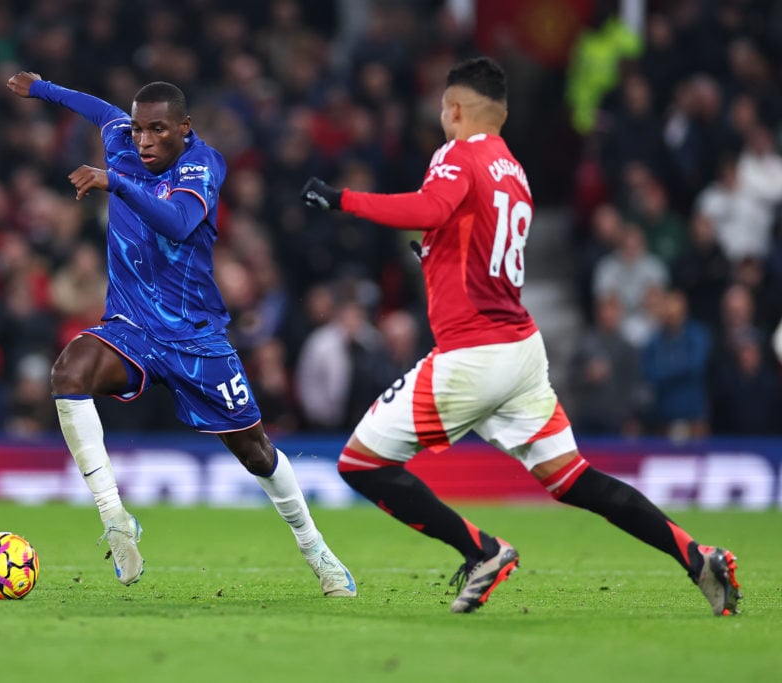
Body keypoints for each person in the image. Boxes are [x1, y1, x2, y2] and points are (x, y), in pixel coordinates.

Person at [300, 56, 740, 615]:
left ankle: (482, 550)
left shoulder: (457, 154)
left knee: (361, 463)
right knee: (576, 480)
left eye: (443, 106)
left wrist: (342, 200)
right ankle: (696, 557)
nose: (440, 116)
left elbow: (430, 207)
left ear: (456, 109)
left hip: (474, 353)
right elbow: (469, 241)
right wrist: (435, 257)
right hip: (521, 351)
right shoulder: (513, 168)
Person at [6, 71, 355, 596]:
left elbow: (178, 221)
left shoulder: (203, 164)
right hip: (132, 327)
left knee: (257, 452)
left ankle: (318, 551)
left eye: (157, 130)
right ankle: (116, 518)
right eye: (139, 129)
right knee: (68, 371)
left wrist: (114, 182)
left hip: (196, 339)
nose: (143, 140)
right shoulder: (121, 138)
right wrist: (42, 88)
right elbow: (99, 108)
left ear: (185, 128)